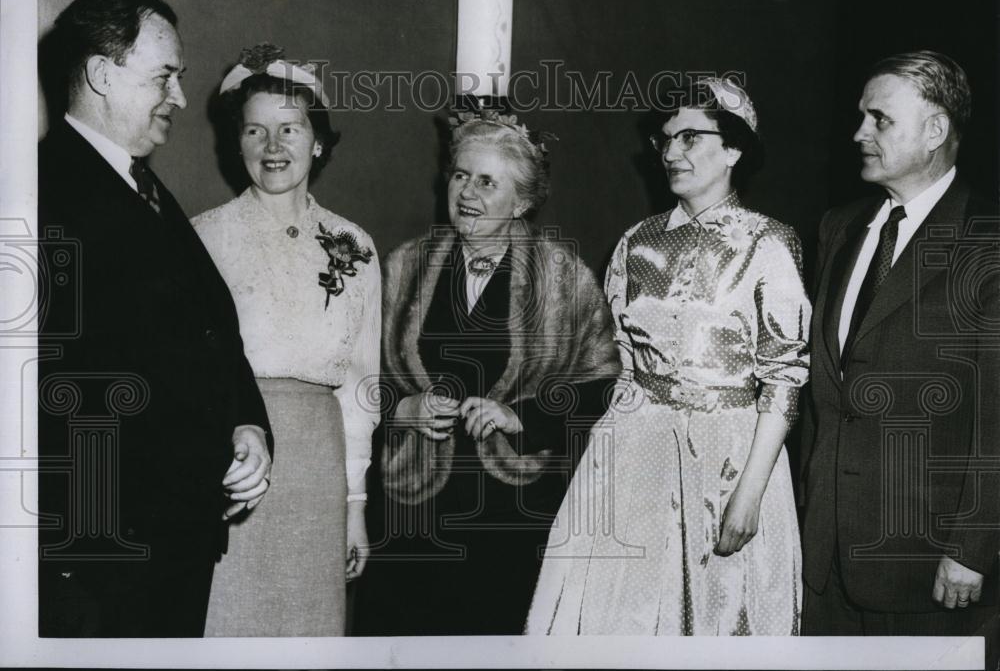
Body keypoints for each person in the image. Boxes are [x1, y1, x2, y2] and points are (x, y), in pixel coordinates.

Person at [526, 77, 810, 635]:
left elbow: (783, 380)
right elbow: (621, 363)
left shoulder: (769, 243)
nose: (671, 153)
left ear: (733, 149)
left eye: (689, 138)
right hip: (636, 451)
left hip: (731, 459)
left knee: (720, 615)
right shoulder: (636, 242)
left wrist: (749, 496)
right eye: (665, 140)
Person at [37, 0, 272, 637]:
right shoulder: (37, 192)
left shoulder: (144, 186)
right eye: (164, 77)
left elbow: (207, 334)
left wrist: (247, 425)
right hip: (96, 559)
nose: (179, 97)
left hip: (174, 542)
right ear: (102, 74)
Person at [355, 109, 620, 636]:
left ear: (522, 200)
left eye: (486, 181)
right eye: (459, 174)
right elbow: (358, 377)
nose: (467, 192)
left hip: (511, 517)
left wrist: (520, 416)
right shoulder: (403, 267)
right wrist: (403, 409)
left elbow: (605, 388)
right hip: (411, 516)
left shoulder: (564, 279)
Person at [800, 51, 999, 660]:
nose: (859, 132)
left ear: (935, 131)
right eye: (862, 116)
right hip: (824, 560)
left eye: (879, 119)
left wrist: (972, 547)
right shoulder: (839, 227)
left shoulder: (986, 243)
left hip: (929, 567)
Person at [191, 44, 380, 636]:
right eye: (255, 130)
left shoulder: (357, 246)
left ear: (318, 140)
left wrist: (355, 507)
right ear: (237, 142)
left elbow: (359, 388)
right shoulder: (201, 238)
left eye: (290, 129)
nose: (273, 148)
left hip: (318, 471)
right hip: (231, 462)